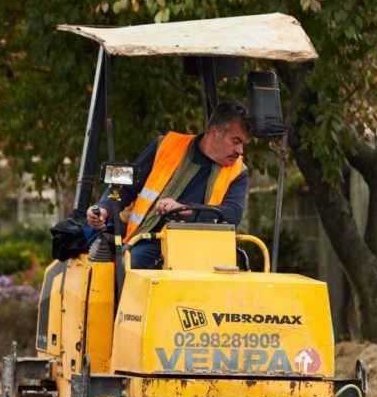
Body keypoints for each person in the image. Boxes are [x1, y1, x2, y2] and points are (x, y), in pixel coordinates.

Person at [85, 99, 253, 269]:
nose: (240, 151)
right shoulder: (165, 146)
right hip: (152, 242)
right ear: (214, 132)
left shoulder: (238, 171)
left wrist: (185, 209)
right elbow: (124, 185)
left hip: (205, 251)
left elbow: (233, 213)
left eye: (243, 144)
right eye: (235, 141)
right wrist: (104, 208)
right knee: (134, 265)